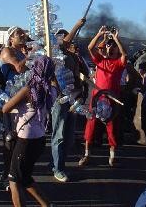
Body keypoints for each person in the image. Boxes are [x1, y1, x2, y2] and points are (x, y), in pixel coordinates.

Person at [2, 55, 56, 207]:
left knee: (13, 179)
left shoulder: (28, 90)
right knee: (25, 177)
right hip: (39, 139)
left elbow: (6, 108)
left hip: (25, 140)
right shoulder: (51, 89)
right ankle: (46, 204)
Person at [80, 26, 127, 167]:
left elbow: (124, 55)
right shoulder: (99, 61)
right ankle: (86, 155)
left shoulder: (119, 64)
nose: (110, 49)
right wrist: (100, 34)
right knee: (91, 126)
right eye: (108, 46)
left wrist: (117, 39)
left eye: (113, 47)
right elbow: (90, 47)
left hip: (112, 100)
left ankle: (112, 157)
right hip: (97, 99)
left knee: (112, 128)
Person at [51, 18, 86, 183]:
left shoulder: (72, 57)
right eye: (61, 37)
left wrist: (80, 94)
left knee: (70, 136)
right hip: (59, 99)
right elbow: (64, 43)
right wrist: (76, 26)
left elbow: (79, 75)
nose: (64, 39)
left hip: (73, 98)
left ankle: (61, 165)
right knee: (59, 134)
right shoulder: (54, 53)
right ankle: (57, 168)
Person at [0, 26, 29, 190]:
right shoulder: (7, 52)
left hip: (22, 101)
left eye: (23, 33)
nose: (23, 35)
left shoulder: (23, 53)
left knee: (21, 139)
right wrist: (31, 56)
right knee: (10, 139)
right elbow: (18, 67)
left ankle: (16, 173)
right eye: (19, 34)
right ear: (11, 38)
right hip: (9, 101)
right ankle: (6, 175)